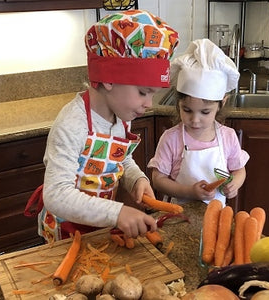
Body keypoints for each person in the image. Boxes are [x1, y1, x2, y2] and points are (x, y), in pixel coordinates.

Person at [25, 10, 179, 243]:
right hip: (65, 233)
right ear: (109, 78)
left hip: (99, 226)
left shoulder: (121, 115)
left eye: (152, 94)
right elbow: (56, 195)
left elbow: (121, 159)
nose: (149, 104)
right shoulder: (72, 123)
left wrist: (137, 179)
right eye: (142, 92)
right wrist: (117, 212)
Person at [147, 38, 249, 207]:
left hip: (216, 215)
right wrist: (189, 192)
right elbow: (158, 180)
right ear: (178, 103)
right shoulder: (171, 138)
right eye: (186, 110)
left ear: (221, 104)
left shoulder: (228, 137)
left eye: (205, 112)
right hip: (177, 215)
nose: (194, 120)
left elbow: (239, 169)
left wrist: (235, 183)